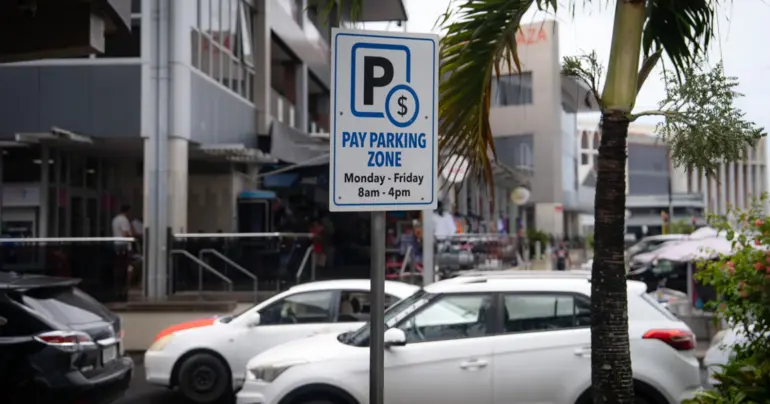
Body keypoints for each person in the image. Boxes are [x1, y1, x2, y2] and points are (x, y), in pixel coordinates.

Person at [110, 205, 133, 301]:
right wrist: (132, 236)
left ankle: (118, 288)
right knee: (125, 266)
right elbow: (125, 233)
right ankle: (124, 287)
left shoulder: (115, 219)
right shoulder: (124, 220)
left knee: (119, 266)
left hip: (116, 244)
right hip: (123, 245)